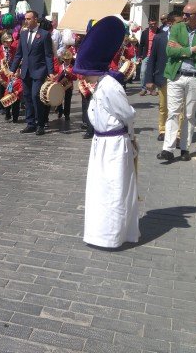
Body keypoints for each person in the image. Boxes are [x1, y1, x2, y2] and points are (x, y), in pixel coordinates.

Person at [73, 16, 139, 249]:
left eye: (85, 73)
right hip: (101, 144)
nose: (83, 78)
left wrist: (130, 137)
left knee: (114, 189)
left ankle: (113, 235)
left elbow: (127, 114)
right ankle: (99, 232)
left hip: (114, 145)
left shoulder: (110, 86)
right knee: (100, 190)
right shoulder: (100, 85)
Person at [157, 2, 196, 162]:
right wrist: (191, 50)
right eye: (183, 13)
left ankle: (185, 148)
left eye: (188, 15)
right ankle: (167, 149)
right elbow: (170, 51)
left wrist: (181, 50)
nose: (184, 17)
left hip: (195, 77)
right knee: (173, 112)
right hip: (176, 75)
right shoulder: (177, 28)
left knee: (189, 115)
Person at [10, 10, 54, 136]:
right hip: (26, 71)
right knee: (27, 97)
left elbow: (48, 55)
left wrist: (51, 72)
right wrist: (12, 70)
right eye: (25, 19)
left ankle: (40, 124)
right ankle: (30, 123)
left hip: (39, 71)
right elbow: (19, 54)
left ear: (35, 19)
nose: (26, 21)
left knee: (36, 96)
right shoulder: (23, 34)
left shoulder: (44, 35)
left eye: (29, 19)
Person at [144, 13, 183, 142]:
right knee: (163, 106)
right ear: (170, 23)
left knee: (180, 108)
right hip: (163, 77)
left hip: (179, 77)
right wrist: (148, 79)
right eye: (179, 22)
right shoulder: (159, 38)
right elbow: (152, 59)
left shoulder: (185, 39)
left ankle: (178, 133)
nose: (182, 25)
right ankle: (163, 130)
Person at [138, 18, 158, 96]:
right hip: (146, 55)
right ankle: (144, 89)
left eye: (154, 24)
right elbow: (141, 45)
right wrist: (140, 56)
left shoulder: (160, 32)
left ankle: (152, 89)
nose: (153, 25)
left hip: (156, 56)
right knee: (143, 72)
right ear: (148, 24)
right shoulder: (145, 33)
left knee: (155, 73)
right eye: (151, 24)